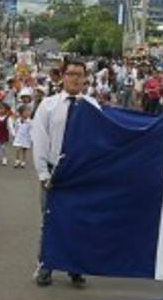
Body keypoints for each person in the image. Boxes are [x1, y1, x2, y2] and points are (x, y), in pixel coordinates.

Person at [31, 58, 99, 287]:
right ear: (62, 76)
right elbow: (40, 140)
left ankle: (75, 267)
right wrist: (42, 174)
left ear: (85, 79)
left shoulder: (92, 107)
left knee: (78, 221)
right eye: (71, 74)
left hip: (81, 173)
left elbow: (98, 141)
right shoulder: (48, 105)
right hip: (54, 172)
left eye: (79, 75)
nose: (75, 79)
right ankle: (46, 266)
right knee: (50, 220)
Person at [12, 102, 32, 168]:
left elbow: (31, 130)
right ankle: (17, 160)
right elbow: (16, 128)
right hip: (19, 137)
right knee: (17, 149)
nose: (28, 113)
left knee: (24, 150)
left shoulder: (30, 121)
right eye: (26, 112)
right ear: (21, 113)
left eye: (28, 112)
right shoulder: (18, 120)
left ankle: (23, 161)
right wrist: (14, 134)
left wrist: (31, 138)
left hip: (26, 137)